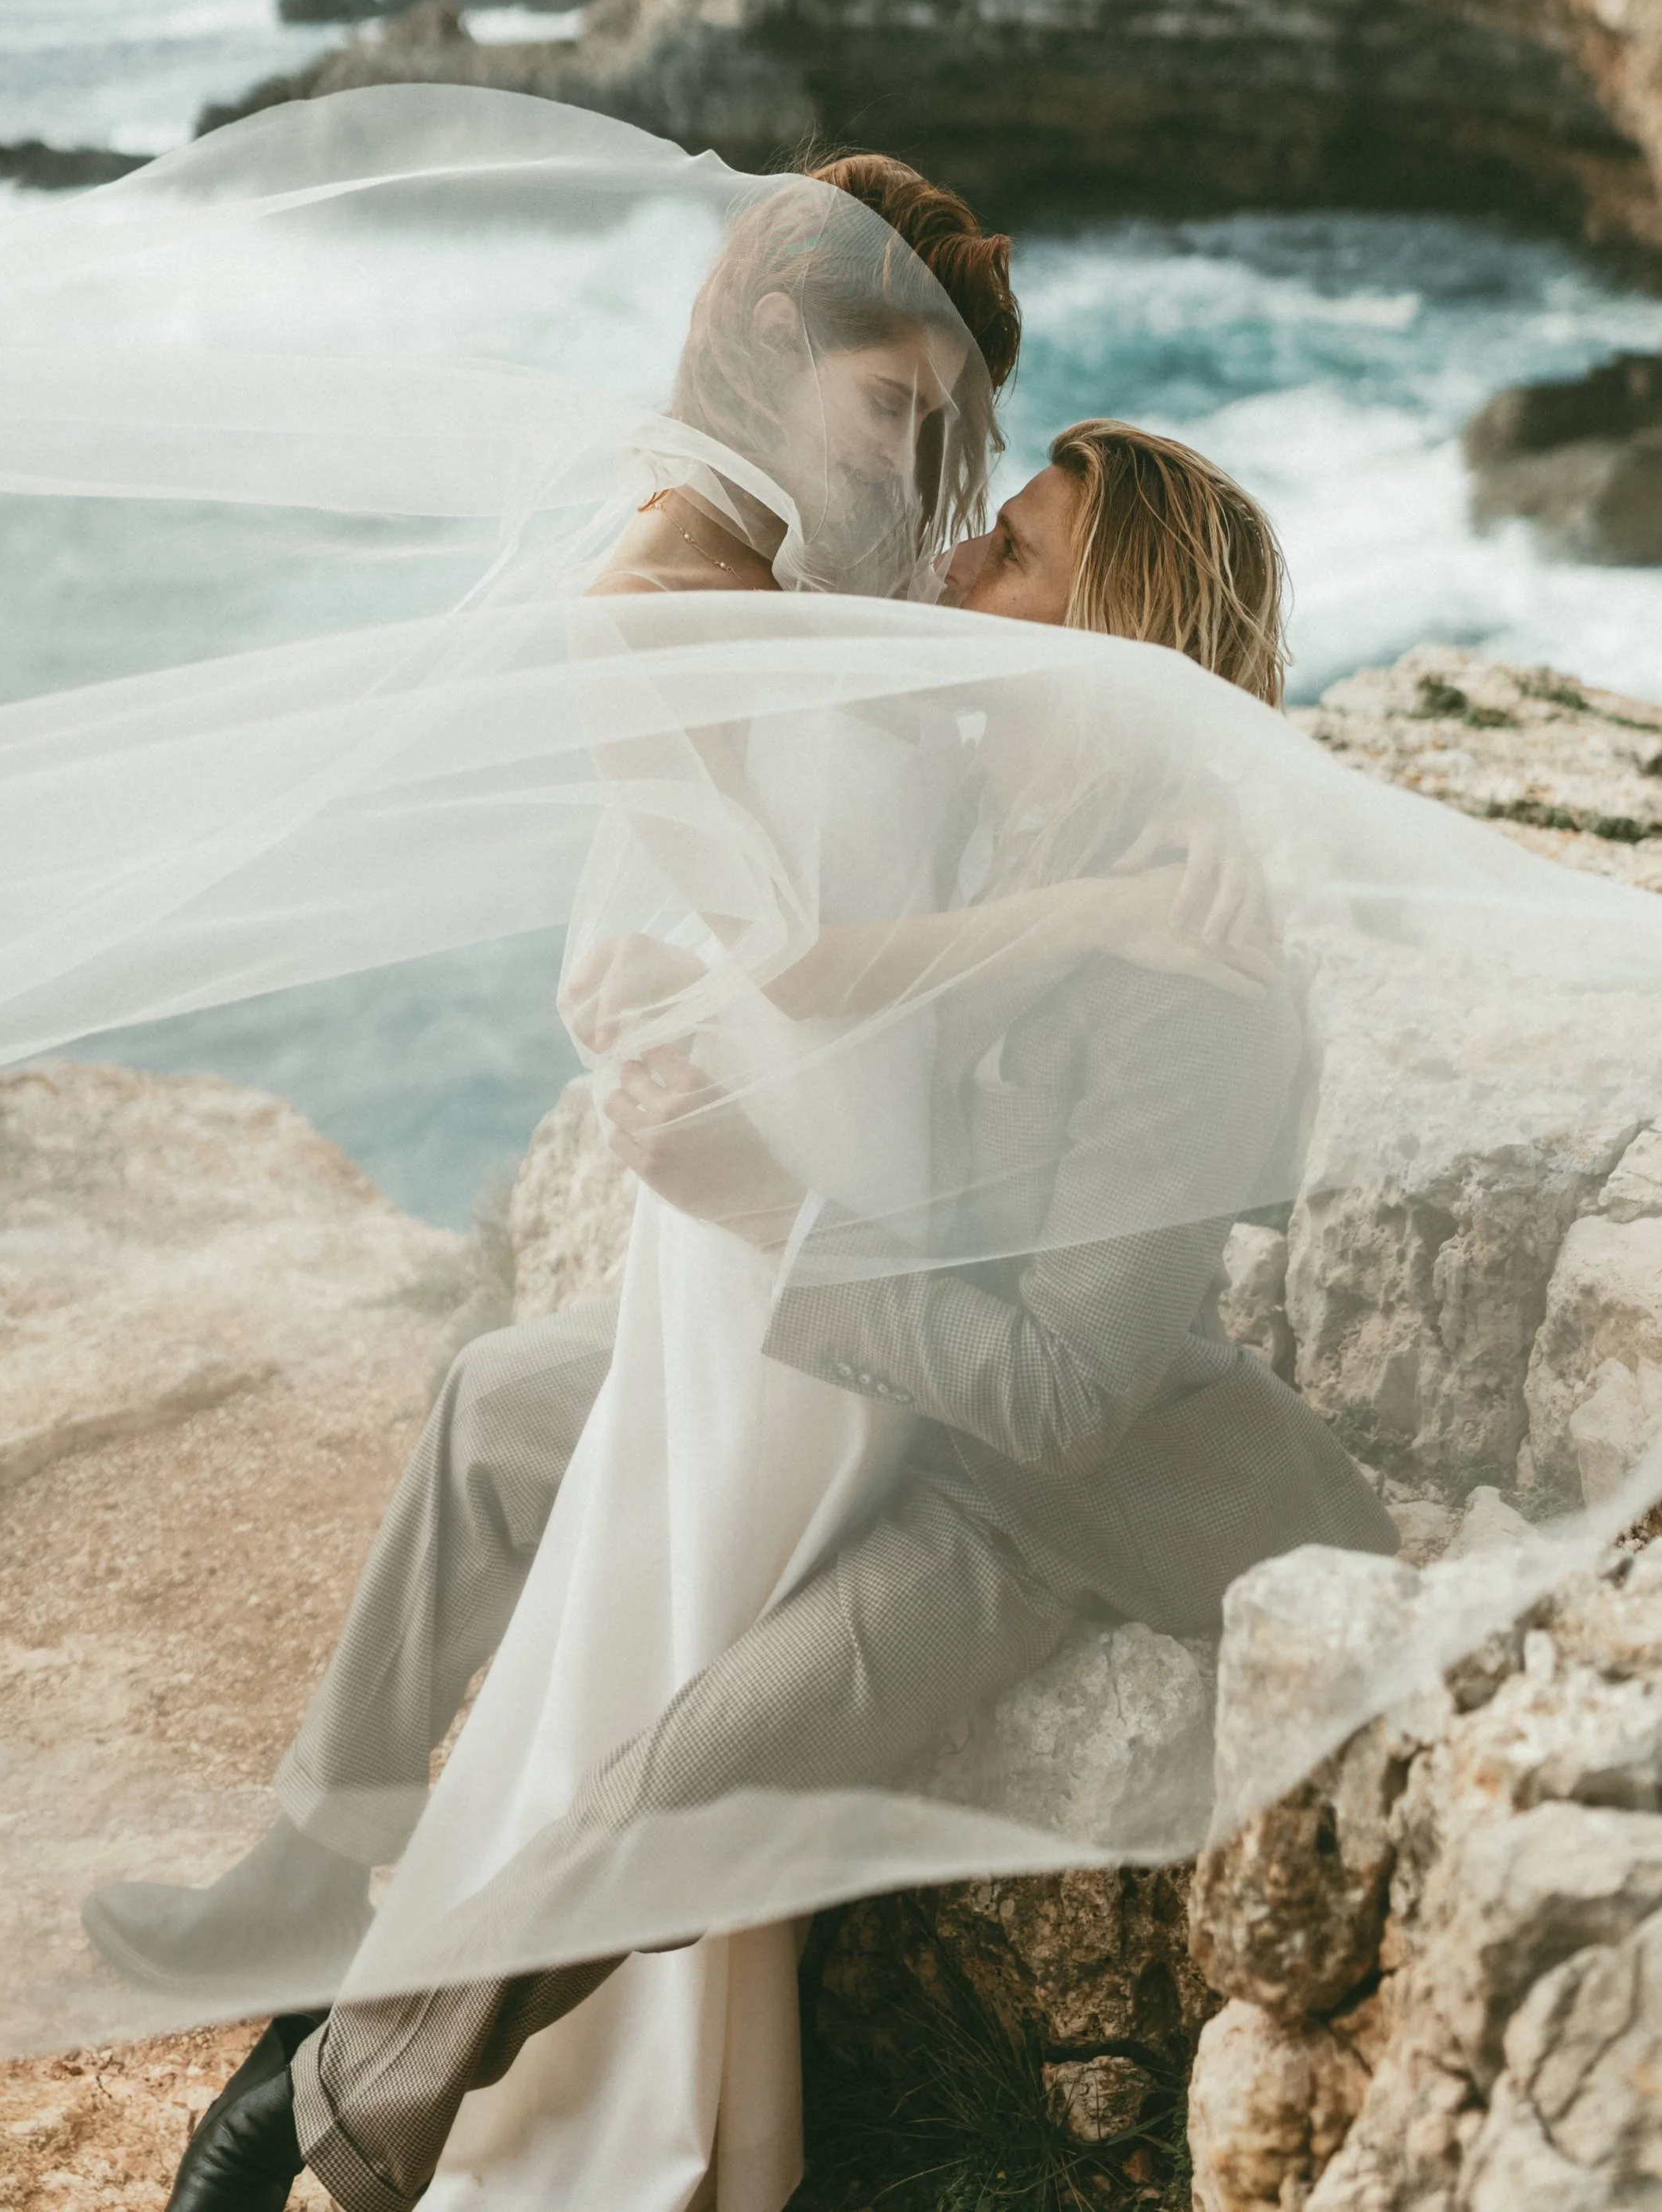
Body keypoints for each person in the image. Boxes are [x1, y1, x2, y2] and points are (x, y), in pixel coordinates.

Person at [155, 415, 1393, 2212]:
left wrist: (776, 1216)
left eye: (1016, 553)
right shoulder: (982, 796)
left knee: (680, 1778)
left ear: (1108, 639)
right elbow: (672, 663)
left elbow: (1059, 1398)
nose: (960, 560)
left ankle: (320, 2113)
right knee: (497, 1407)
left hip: (1033, 1488)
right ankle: (303, 1873)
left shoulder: (1192, 988)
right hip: (886, 1366)